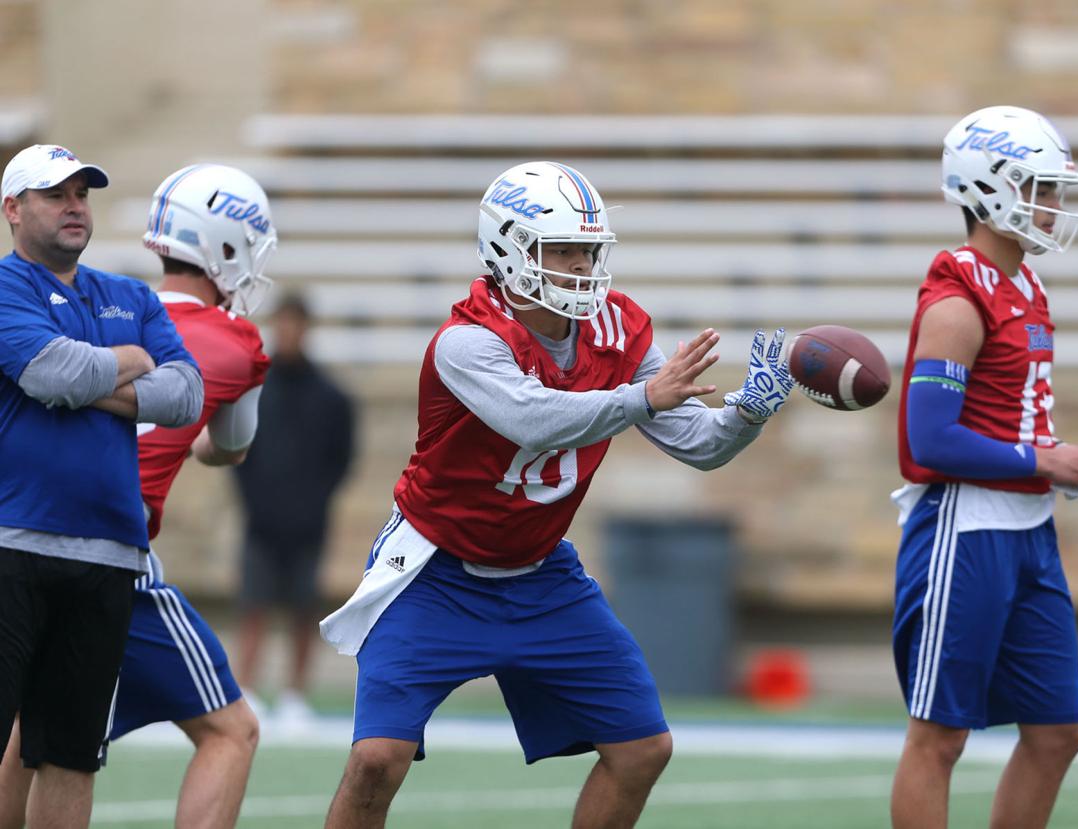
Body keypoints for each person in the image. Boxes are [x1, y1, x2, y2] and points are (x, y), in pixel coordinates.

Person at [318, 160, 797, 829]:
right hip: (437, 571)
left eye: (588, 250)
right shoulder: (467, 341)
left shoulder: (617, 329)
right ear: (507, 248)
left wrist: (748, 413)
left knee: (642, 748)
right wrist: (639, 398)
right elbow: (533, 416)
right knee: (377, 757)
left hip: (541, 573)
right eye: (562, 249)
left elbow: (700, 444)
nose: (580, 266)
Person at [0, 163, 275, 829]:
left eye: (79, 195)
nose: (73, 205)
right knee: (231, 729)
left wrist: (86, 382)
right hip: (113, 551)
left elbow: (141, 391)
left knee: (34, 742)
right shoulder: (228, 340)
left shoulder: (111, 309)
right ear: (228, 249)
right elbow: (226, 445)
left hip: (52, 531)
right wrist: (134, 381)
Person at [889, 106, 1078, 829]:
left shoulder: (1027, 285)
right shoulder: (958, 299)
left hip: (1029, 531)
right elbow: (931, 440)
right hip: (967, 526)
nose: (1053, 206)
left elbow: (1004, 413)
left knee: (1056, 730)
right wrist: (1044, 458)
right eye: (1040, 188)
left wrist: (1051, 461)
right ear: (990, 188)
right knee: (941, 735)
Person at [233, 292, 355, 721]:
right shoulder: (255, 390)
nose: (288, 333)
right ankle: (244, 688)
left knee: (304, 608)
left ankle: (294, 696)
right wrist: (255, 501)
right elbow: (238, 452)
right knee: (253, 605)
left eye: (295, 325)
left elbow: (341, 460)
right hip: (261, 521)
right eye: (281, 325)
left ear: (306, 329)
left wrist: (313, 503)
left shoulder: (332, 397)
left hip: (309, 523)